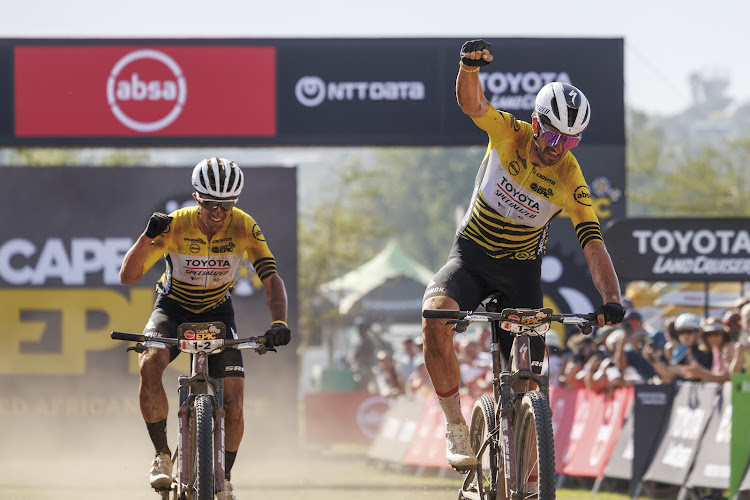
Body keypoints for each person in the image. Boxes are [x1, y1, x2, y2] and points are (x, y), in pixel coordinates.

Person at [421, 39, 626, 469]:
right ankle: (456, 422)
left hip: (521, 274)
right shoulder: (509, 132)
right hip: (471, 258)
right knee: (435, 318)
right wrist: (469, 68)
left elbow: (593, 243)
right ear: (535, 122)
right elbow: (472, 105)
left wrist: (612, 299)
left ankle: (526, 460)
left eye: (570, 142)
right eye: (552, 134)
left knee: (531, 382)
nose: (557, 147)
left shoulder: (571, 177)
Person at [119, 157, 291, 500]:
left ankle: (224, 477)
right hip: (172, 308)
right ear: (197, 197)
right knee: (149, 363)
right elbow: (128, 277)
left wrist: (279, 322)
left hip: (218, 313)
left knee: (236, 402)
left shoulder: (244, 226)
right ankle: (162, 456)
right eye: (211, 203)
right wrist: (146, 237)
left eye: (226, 205)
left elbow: (271, 279)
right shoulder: (174, 225)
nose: (218, 212)